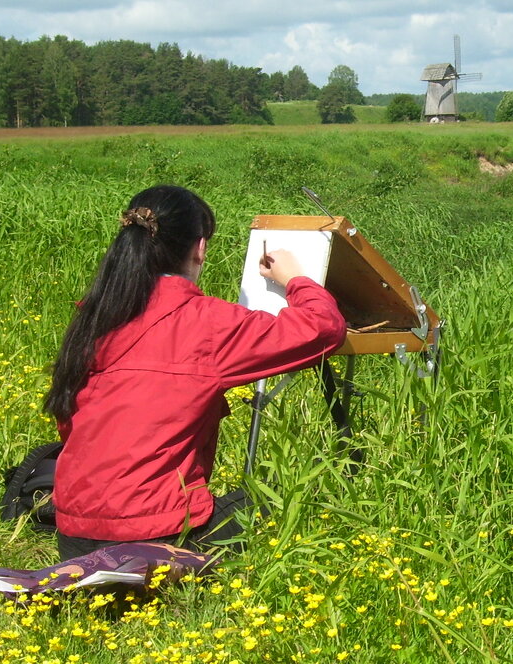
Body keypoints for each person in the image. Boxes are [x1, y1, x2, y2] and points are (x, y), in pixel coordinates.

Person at [43, 185, 346, 559]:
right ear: (200, 248)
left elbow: (68, 421)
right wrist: (296, 279)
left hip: (73, 536)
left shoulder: (96, 316)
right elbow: (323, 328)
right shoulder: (205, 324)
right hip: (152, 535)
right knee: (288, 501)